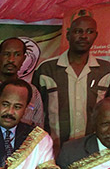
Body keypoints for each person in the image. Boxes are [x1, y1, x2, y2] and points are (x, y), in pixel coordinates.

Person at [33, 11, 110, 153]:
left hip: (95, 152)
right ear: (68, 35)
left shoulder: (106, 71)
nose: (84, 36)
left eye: (89, 31)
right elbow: (35, 112)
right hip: (54, 151)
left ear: (96, 36)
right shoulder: (46, 70)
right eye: (78, 31)